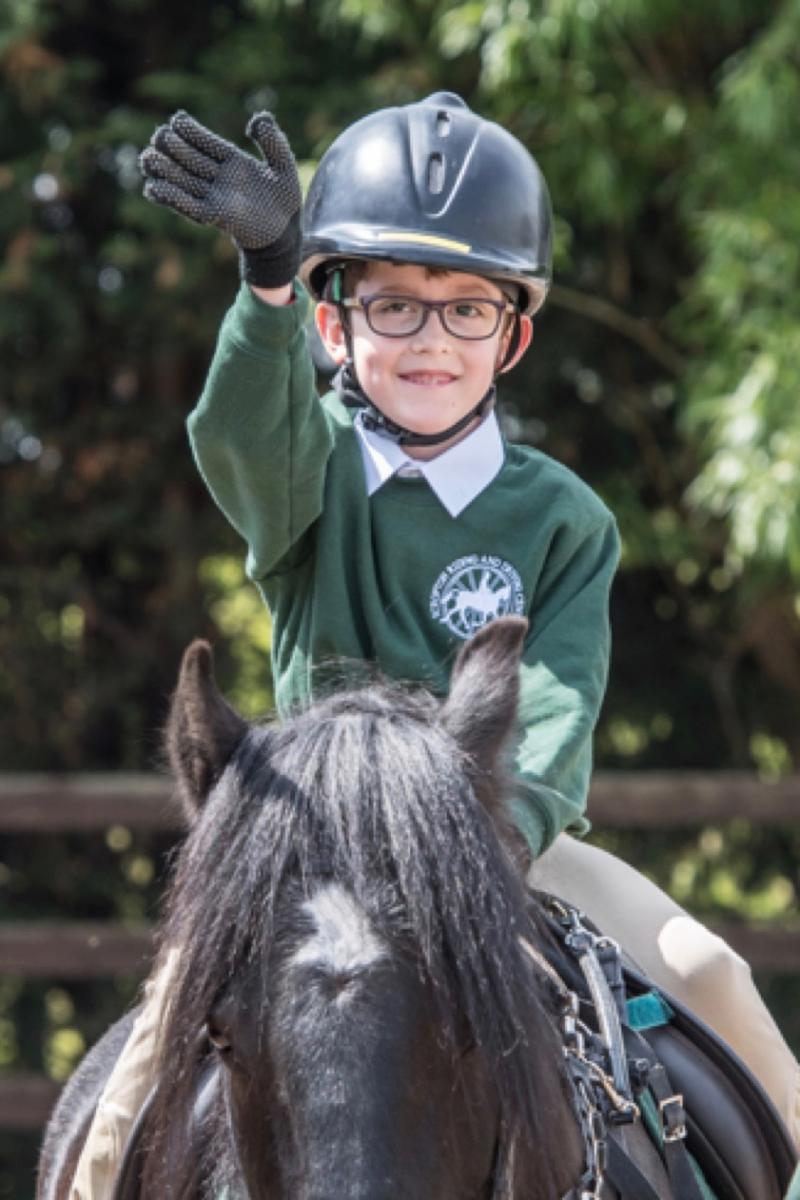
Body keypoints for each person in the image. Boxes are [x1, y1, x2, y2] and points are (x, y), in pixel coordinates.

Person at [70, 93, 799, 1198]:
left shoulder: (564, 518)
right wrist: (270, 273)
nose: (429, 341)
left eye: (465, 312)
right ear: (335, 327)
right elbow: (236, 436)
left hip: (504, 847)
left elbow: (549, 715)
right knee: (142, 1062)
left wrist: (476, 847)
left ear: (511, 335)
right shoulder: (305, 476)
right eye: (395, 309)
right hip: (312, 852)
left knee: (711, 969)